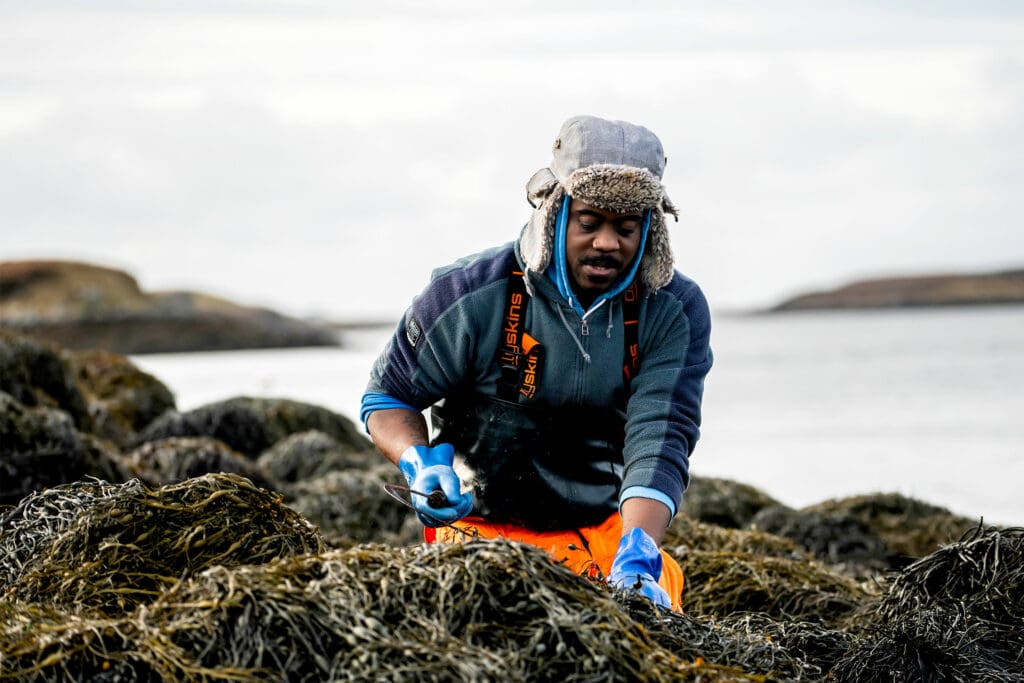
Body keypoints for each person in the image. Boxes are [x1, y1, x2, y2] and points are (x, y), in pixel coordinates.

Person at [360, 115, 712, 611]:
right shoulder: (469, 293)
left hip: (604, 528)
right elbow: (388, 396)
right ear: (555, 211)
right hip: (478, 530)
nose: (608, 243)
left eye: (627, 227)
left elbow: (661, 434)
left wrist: (640, 550)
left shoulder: (672, 309)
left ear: (650, 228)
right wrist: (418, 464)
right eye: (590, 222)